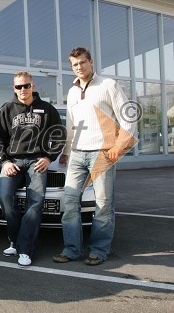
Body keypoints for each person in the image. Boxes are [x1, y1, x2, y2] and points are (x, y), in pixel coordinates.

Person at [53, 47, 137, 266]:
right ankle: (71, 250)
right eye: (74, 64)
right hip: (77, 154)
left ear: (91, 62)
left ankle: (98, 251)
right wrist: (66, 151)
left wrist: (118, 147)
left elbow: (128, 117)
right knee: (69, 202)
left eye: (82, 62)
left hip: (103, 152)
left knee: (103, 204)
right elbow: (72, 126)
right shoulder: (71, 91)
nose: (79, 67)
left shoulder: (108, 85)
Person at [0, 72, 65, 267]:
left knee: (35, 201)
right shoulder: (7, 109)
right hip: (13, 161)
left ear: (33, 86)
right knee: (5, 197)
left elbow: (59, 135)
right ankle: (15, 240)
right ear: (14, 88)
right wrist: (5, 161)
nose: (22, 90)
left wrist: (49, 157)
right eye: (18, 87)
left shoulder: (47, 109)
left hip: (36, 161)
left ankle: (25, 249)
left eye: (26, 86)